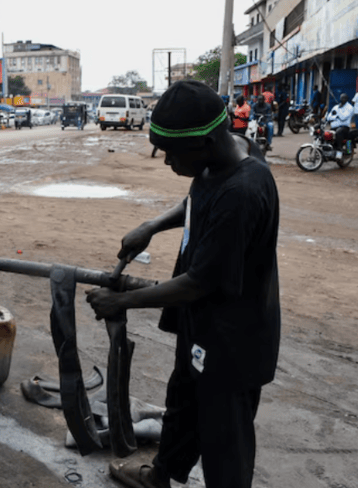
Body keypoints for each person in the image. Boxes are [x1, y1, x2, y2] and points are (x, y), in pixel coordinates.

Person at [87, 80, 280, 488]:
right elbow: (197, 196)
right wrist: (154, 225)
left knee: (225, 436)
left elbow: (198, 283)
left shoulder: (242, 193)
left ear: (208, 141)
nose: (166, 162)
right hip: (201, 324)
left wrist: (121, 302)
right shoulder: (230, 152)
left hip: (232, 338)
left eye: (172, 153)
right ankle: (161, 475)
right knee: (184, 403)